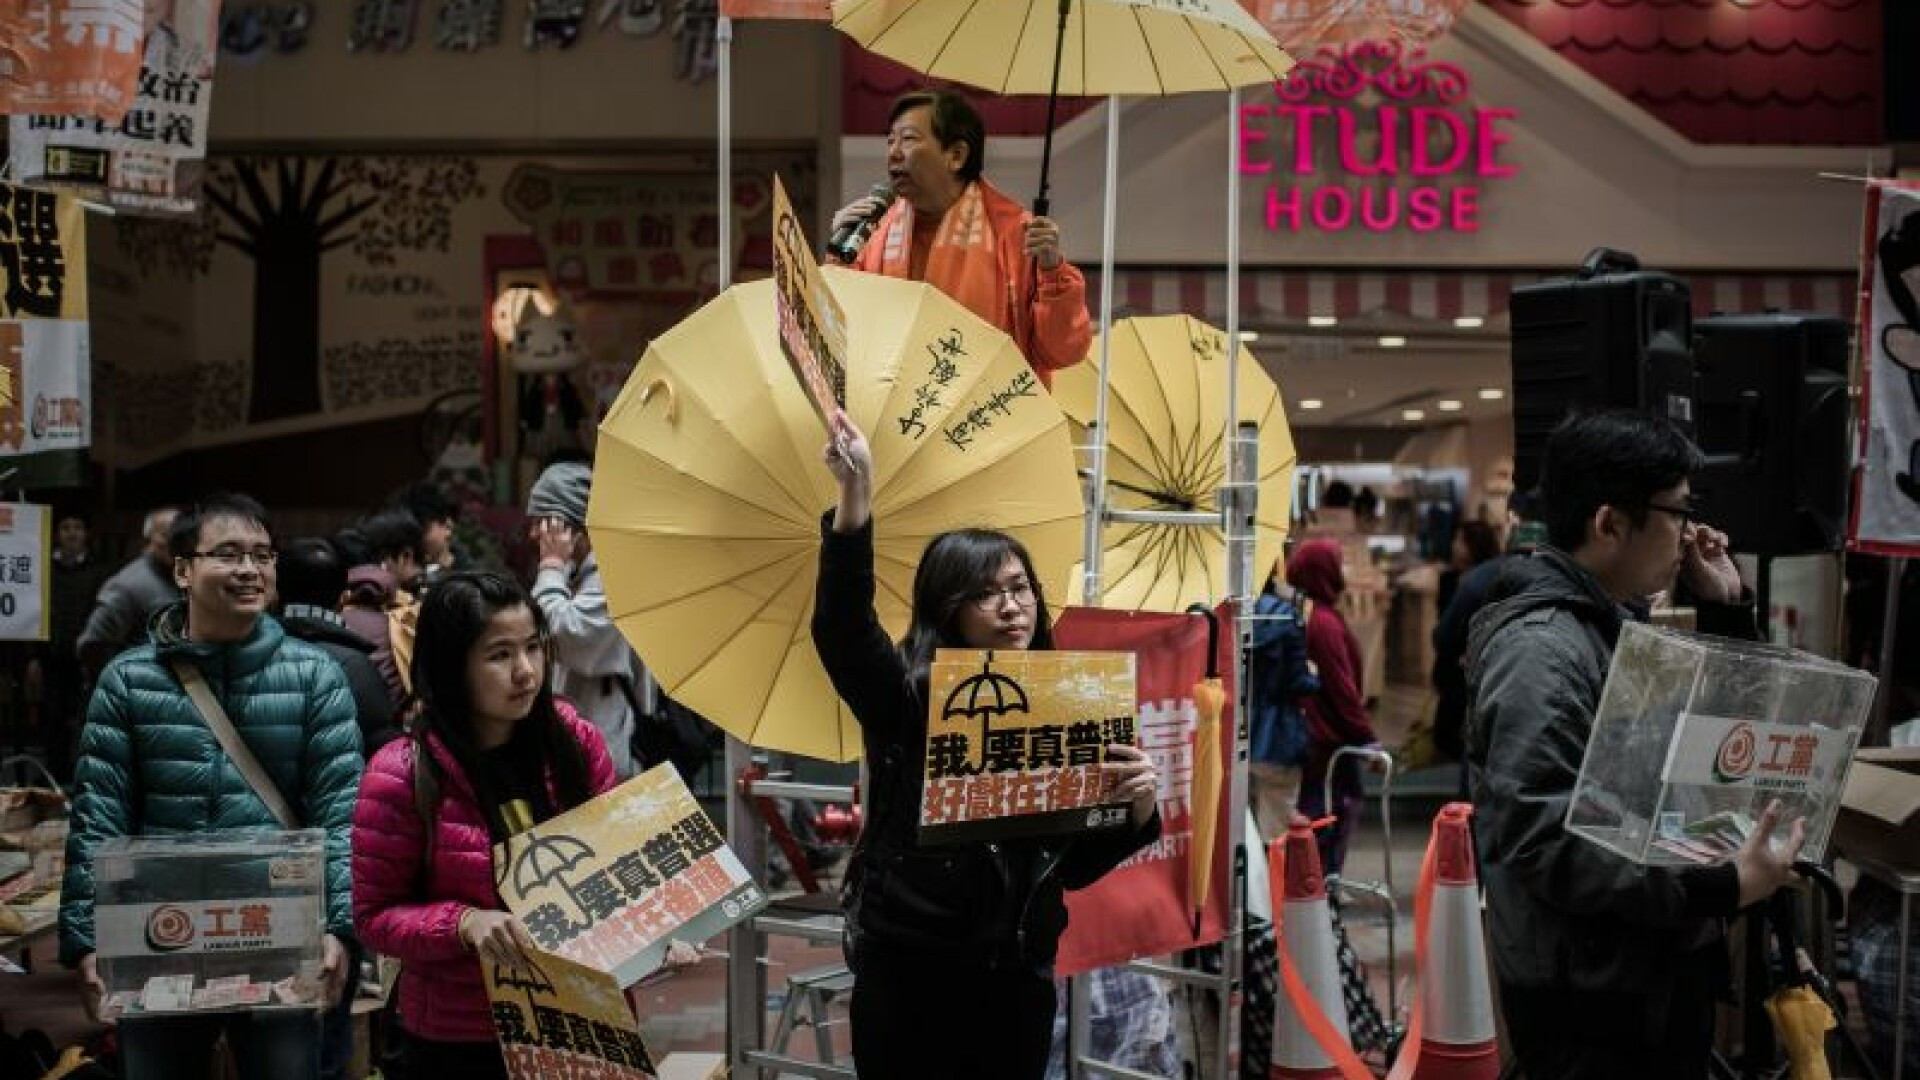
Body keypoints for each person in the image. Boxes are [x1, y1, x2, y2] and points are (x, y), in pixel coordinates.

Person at [811, 410, 1160, 1079]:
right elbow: (845, 634)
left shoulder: (1068, 706)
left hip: (1016, 979)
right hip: (908, 976)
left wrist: (1137, 806)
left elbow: (1076, 868)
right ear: (948, 610)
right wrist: (854, 505)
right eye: (985, 594)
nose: (1011, 607)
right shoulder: (908, 698)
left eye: (1020, 588)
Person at [1466, 409, 1806, 1080]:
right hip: (1590, 1005)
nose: (1692, 534)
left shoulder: (1608, 626)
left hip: (1640, 981)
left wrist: (1727, 611)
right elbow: (1545, 838)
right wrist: (1713, 885)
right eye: (1678, 512)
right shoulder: (1543, 651)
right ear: (1610, 523)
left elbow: (1721, 757)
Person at [59, 494, 362, 1080]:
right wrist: (85, 941)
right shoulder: (129, 681)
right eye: (227, 554)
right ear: (181, 570)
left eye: (261, 554)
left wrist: (340, 930)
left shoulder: (315, 675)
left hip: (280, 934)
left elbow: (342, 814)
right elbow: (97, 819)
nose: (249, 569)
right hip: (158, 939)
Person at [351, 571, 619, 1080]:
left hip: (580, 1017)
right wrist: (463, 923)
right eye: (499, 655)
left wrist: (665, 923)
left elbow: (614, 862)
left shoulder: (576, 742)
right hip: (461, 1037)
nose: (525, 672)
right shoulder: (401, 773)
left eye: (533, 648)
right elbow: (374, 915)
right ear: (453, 666)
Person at [828, 89, 1091, 386]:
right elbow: (840, 339)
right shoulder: (873, 231)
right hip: (893, 420)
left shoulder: (1016, 234)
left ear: (956, 155)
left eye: (909, 139)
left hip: (984, 422)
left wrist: (1052, 272)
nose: (894, 152)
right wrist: (839, 262)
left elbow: (1063, 351)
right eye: (890, 141)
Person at [525, 460, 643, 780]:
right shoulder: (578, 575)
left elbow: (562, 631)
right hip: (582, 745)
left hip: (609, 751)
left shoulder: (613, 577)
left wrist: (550, 565)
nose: (534, 533)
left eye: (543, 522)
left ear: (573, 529)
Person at [1288, 538, 1378, 875]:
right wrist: (1366, 736)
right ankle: (1323, 891)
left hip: (1319, 738)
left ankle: (1319, 889)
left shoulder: (1309, 614)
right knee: (1329, 814)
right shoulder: (1324, 622)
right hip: (1329, 740)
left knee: (1319, 814)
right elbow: (1341, 687)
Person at [277, 536, 401, 753]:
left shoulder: (247, 651)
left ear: (275, 592)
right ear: (344, 598)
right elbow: (381, 745)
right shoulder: (355, 666)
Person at [1248, 553, 1319, 847]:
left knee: (1242, 833)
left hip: (1238, 735)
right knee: (1278, 836)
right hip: (1279, 737)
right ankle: (1274, 893)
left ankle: (1247, 893)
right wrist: (1314, 675)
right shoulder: (1287, 617)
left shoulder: (1230, 615)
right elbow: (1297, 681)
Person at [38, 512, 110, 782]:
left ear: (86, 534)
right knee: (52, 716)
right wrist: (34, 657)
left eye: (77, 527)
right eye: (65, 527)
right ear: (56, 533)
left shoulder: (99, 570)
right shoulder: (45, 569)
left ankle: (83, 777)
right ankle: (53, 776)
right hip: (51, 656)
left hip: (86, 657)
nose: (71, 533)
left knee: (86, 717)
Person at [1427, 518, 1500, 768]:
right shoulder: (1452, 579)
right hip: (1455, 669)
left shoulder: (1477, 583)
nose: (1455, 546)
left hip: (1469, 671)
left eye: (1460, 540)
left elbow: (1445, 632)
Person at [76, 506, 179, 679]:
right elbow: (92, 645)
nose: (173, 542)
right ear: (148, 538)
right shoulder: (128, 584)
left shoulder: (186, 576)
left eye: (180, 536)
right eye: (165, 535)